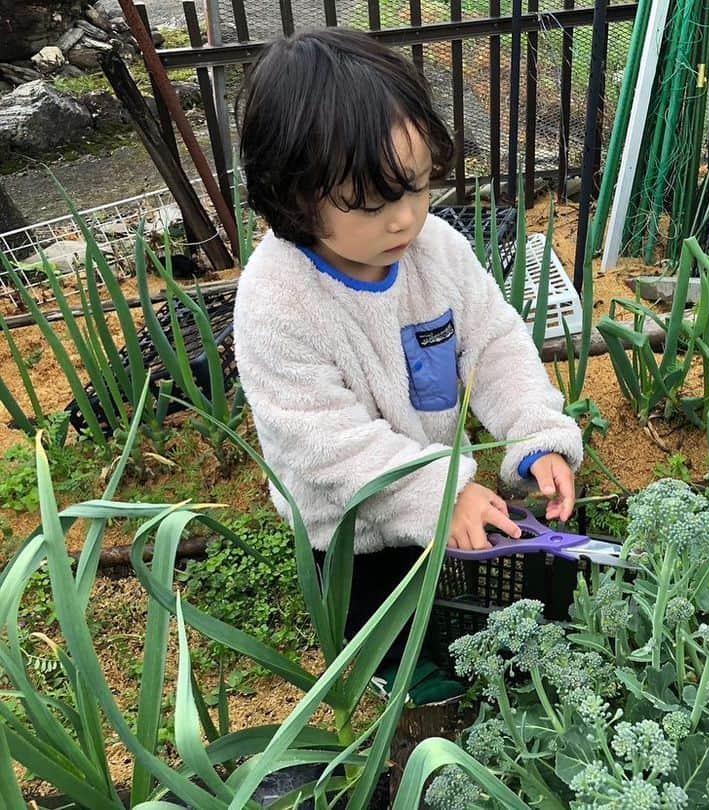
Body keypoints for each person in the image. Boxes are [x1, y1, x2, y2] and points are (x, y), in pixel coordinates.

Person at [232, 28, 583, 671]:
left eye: (418, 187)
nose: (405, 219)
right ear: (292, 196)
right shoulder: (277, 301)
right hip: (347, 530)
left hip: (433, 488)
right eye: (371, 203)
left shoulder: (436, 252)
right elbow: (322, 441)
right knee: (385, 650)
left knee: (460, 618)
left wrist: (537, 432)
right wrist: (444, 490)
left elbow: (494, 341)